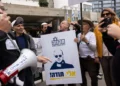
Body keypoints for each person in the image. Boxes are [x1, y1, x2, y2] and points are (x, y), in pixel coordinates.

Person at [0, 1, 51, 86]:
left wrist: (36, 57)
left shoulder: (27, 37)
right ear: (14, 27)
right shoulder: (7, 36)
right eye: (18, 26)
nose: (4, 13)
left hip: (25, 72)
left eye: (22, 25)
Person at [95, 8, 119, 86]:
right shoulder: (97, 28)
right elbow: (96, 42)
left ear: (112, 15)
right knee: (106, 75)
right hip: (103, 55)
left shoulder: (118, 25)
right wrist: (96, 56)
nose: (105, 16)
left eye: (107, 14)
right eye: (103, 15)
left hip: (114, 54)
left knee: (114, 75)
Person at [75, 18, 98, 86]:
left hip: (90, 58)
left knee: (93, 76)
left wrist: (86, 41)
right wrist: (75, 42)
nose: (82, 26)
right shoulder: (79, 35)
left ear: (88, 26)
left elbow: (94, 48)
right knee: (82, 77)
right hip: (81, 58)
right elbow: (78, 46)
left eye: (84, 24)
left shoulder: (92, 34)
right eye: (81, 24)